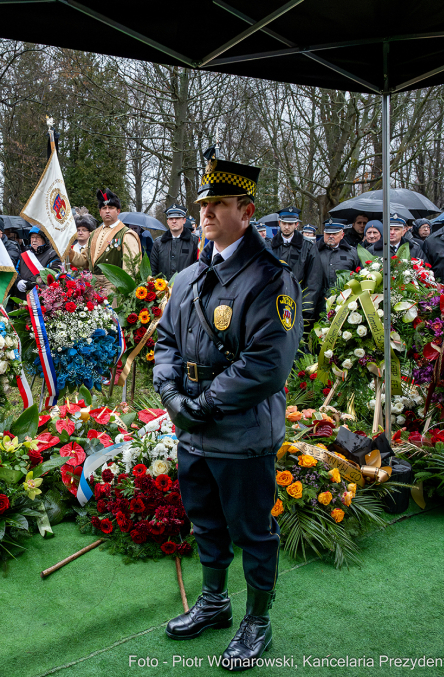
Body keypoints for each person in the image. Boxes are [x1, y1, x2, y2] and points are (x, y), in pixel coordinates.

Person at [153, 155, 301, 670]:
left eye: (218, 204)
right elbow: (167, 340)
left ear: (246, 209)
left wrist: (202, 405)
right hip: (194, 431)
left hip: (241, 433)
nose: (206, 212)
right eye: (203, 204)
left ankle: (256, 621)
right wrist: (173, 398)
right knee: (206, 524)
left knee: (253, 533)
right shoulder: (191, 274)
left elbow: (267, 365)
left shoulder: (269, 278)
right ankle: (214, 603)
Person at [68, 188, 141, 288]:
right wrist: (68, 251)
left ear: (118, 211)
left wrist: (127, 292)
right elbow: (84, 261)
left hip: (116, 288)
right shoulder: (93, 234)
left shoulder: (126, 234)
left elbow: (132, 269)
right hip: (94, 288)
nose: (107, 211)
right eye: (104, 208)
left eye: (111, 208)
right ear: (100, 212)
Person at [270, 206, 322, 327]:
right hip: (273, 304)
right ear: (279, 223)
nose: (287, 227)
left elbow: (313, 280)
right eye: (284, 223)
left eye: (290, 223)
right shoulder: (270, 246)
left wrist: (307, 307)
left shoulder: (308, 247)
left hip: (298, 304)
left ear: (296, 224)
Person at [317, 219, 360, 301]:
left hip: (344, 301)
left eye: (335, 233)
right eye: (328, 233)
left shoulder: (352, 252)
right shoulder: (314, 251)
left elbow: (358, 275)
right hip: (319, 302)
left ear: (342, 235)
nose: (331, 236)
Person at [150, 205, 198, 278]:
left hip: (187, 287)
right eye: (171, 218)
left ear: (184, 220)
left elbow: (198, 267)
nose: (174, 221)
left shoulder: (195, 241)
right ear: (167, 222)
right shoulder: (158, 242)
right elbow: (153, 269)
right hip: (162, 287)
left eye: (177, 218)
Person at [14, 226, 61, 295]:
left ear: (45, 239)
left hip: (41, 296)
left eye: (37, 237)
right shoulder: (23, 255)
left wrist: (29, 283)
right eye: (32, 237)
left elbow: (51, 273)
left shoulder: (53, 255)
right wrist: (18, 281)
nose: (34, 240)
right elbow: (15, 271)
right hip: (22, 295)